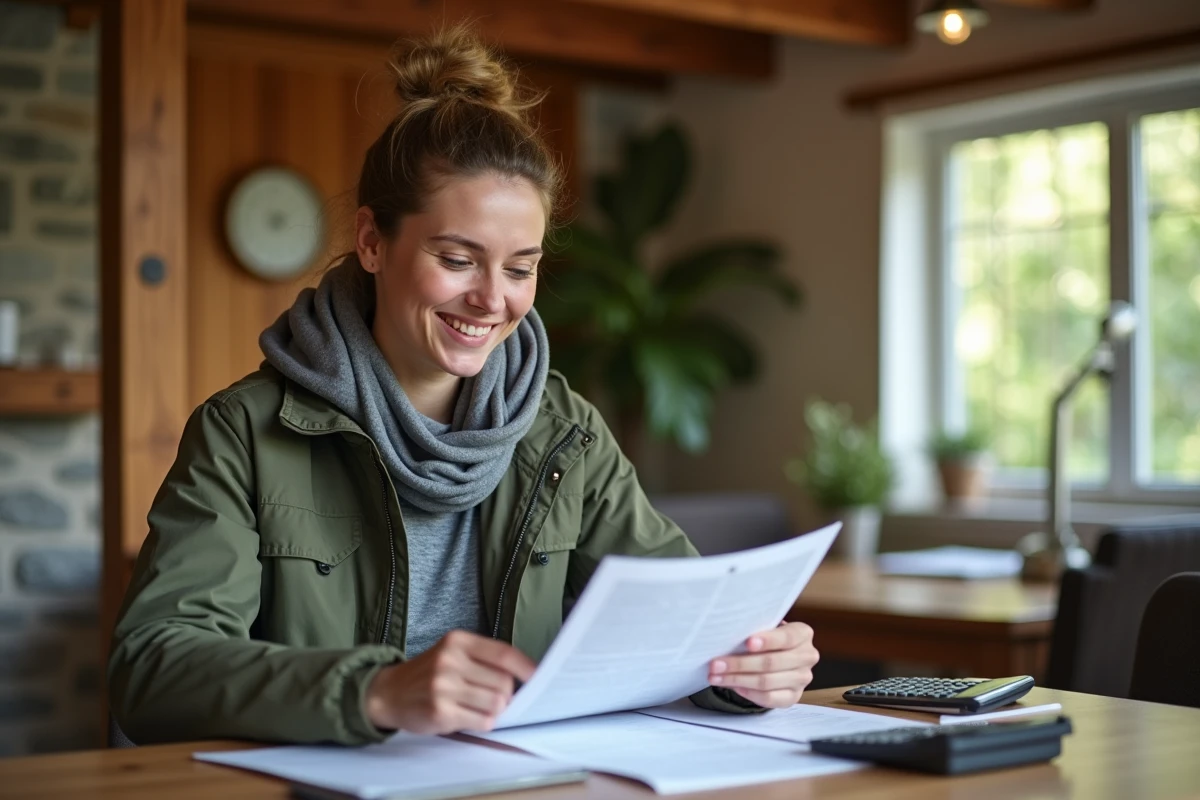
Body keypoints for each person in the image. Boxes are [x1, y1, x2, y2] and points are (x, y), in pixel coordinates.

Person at [108, 25, 819, 746]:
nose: (491, 299)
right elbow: (152, 667)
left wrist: (750, 669)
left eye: (519, 268)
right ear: (373, 241)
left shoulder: (563, 431)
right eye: (457, 258)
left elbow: (687, 622)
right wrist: (376, 689)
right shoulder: (245, 431)